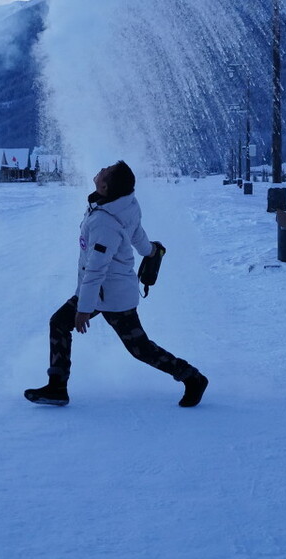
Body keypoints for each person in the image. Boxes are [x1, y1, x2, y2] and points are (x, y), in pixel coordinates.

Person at [24, 160, 208, 407]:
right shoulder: (124, 204)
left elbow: (96, 268)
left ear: (104, 186)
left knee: (139, 348)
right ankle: (57, 387)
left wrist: (84, 308)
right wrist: (150, 251)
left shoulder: (105, 222)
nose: (100, 169)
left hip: (111, 294)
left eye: (106, 171)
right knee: (60, 323)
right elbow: (137, 234)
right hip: (104, 291)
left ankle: (192, 378)